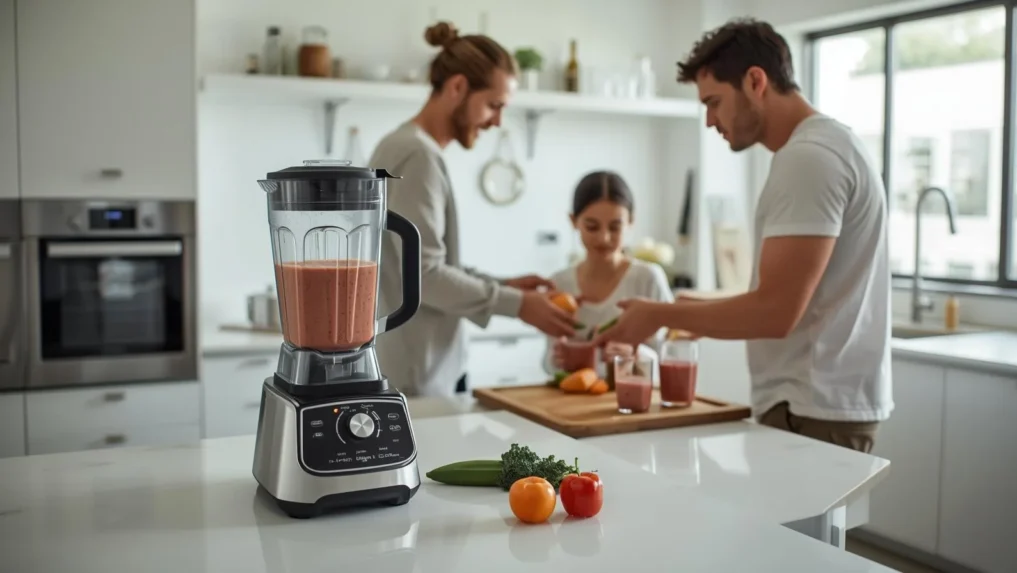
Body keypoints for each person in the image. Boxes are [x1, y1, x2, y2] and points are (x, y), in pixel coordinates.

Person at [595, 18, 892, 453]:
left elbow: (775, 312)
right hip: (813, 404)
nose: (710, 120)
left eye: (714, 102)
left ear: (755, 81)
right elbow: (787, 297)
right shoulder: (819, 149)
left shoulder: (809, 159)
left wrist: (662, 315)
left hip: (811, 408)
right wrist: (687, 309)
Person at [369, 22, 577, 398]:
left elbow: (425, 263)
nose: (497, 121)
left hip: (415, 365)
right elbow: (426, 276)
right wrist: (517, 304)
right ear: (458, 87)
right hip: (416, 374)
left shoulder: (406, 147)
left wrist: (504, 285)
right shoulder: (418, 155)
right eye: (494, 105)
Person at [542, 171, 674, 377]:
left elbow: (668, 356)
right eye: (592, 227)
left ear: (631, 221)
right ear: (573, 220)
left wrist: (636, 354)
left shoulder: (648, 278)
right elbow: (548, 363)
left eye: (615, 227)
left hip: (634, 403)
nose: (604, 238)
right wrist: (557, 359)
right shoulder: (559, 283)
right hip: (572, 402)